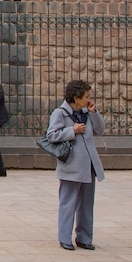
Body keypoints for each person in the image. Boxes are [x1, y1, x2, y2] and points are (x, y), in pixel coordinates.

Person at [46, 79, 105, 251]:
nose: (89, 99)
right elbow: (51, 135)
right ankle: (64, 237)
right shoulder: (60, 113)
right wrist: (72, 131)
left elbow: (100, 130)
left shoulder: (87, 112)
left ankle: (84, 238)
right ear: (76, 97)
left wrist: (94, 113)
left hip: (89, 166)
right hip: (71, 166)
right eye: (86, 96)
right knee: (68, 203)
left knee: (87, 204)